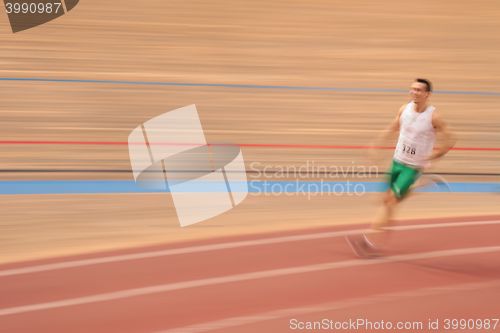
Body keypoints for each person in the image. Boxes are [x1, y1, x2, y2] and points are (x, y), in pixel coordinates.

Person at [346, 78, 456, 258]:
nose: (414, 92)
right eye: (412, 89)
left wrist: (436, 154)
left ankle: (369, 241)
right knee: (387, 201)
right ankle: (425, 184)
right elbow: (391, 129)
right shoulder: (403, 110)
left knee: (390, 201)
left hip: (413, 167)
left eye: (419, 90)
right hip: (397, 161)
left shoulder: (433, 116)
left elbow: (451, 138)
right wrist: (375, 146)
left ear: (427, 94)